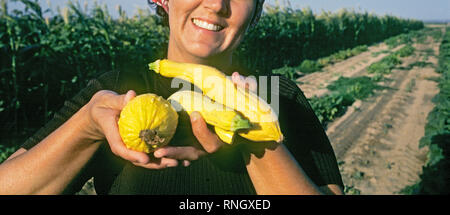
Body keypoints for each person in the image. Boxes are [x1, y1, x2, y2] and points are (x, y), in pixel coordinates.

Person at [0, 0, 344, 195]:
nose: (216, 4)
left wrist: (254, 137)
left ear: (255, 11)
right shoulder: (115, 92)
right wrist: (86, 127)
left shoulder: (279, 96)